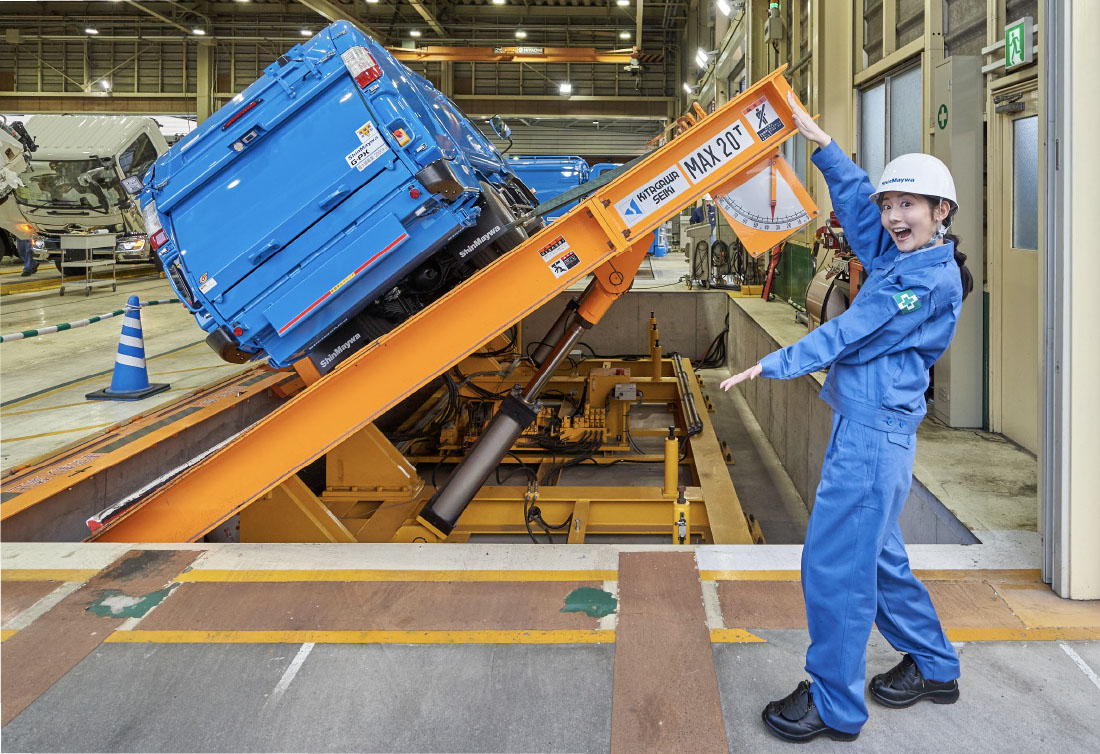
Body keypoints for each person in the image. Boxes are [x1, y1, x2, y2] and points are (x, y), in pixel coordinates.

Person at [721, 92, 970, 743]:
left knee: (835, 567)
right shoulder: (900, 255)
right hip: (868, 429)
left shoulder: (923, 282)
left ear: (941, 212)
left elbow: (854, 332)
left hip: (871, 438)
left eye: (907, 205)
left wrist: (772, 365)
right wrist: (822, 144)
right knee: (879, 559)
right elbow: (859, 207)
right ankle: (936, 665)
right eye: (892, 205)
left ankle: (835, 704)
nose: (892, 215)